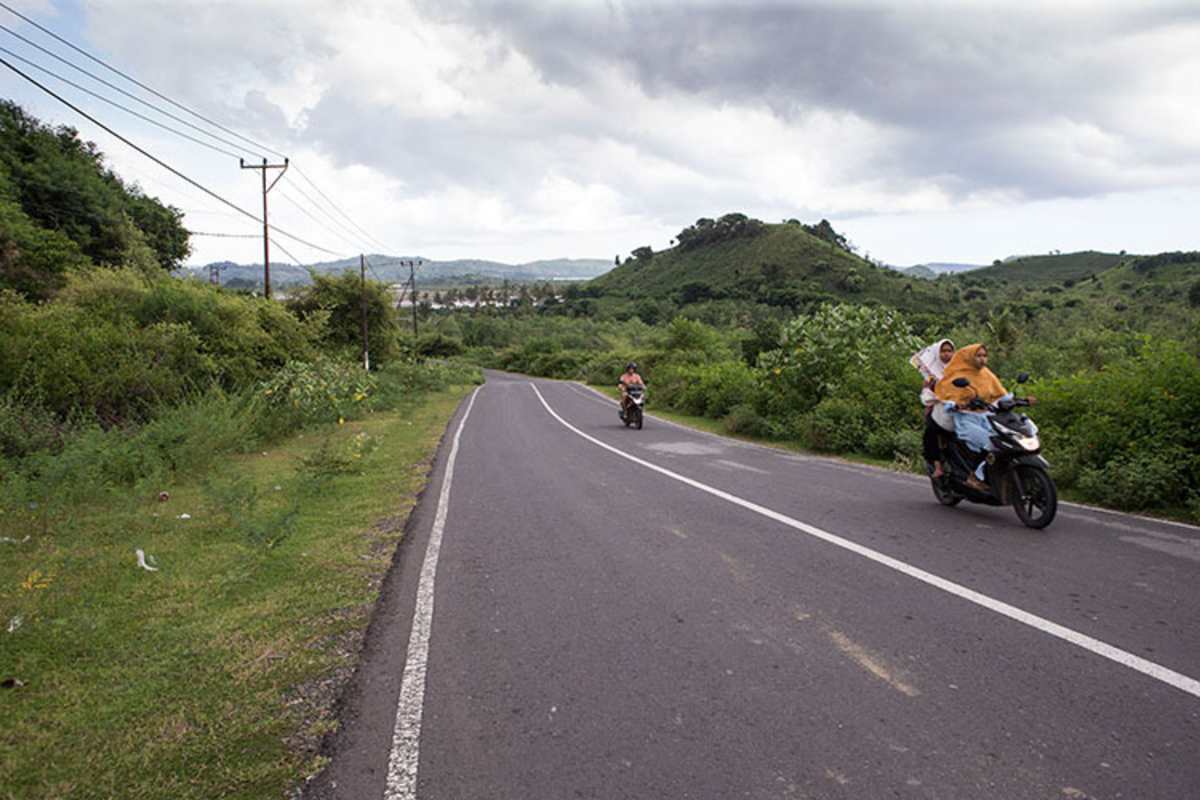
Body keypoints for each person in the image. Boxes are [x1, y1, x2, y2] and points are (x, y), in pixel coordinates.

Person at [934, 343, 1036, 491]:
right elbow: (948, 399)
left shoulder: (987, 374)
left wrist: (1022, 400)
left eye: (984, 356)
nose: (982, 359)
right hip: (967, 419)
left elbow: (1001, 395)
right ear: (969, 357)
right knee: (990, 443)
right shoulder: (956, 375)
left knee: (1007, 441)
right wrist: (958, 405)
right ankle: (974, 477)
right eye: (978, 355)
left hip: (989, 417)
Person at [910, 338, 955, 478]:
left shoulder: (959, 369)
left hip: (958, 408)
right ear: (937, 353)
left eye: (949, 351)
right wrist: (935, 397)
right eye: (943, 351)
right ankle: (937, 466)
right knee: (931, 433)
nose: (947, 354)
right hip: (937, 409)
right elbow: (926, 392)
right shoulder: (931, 373)